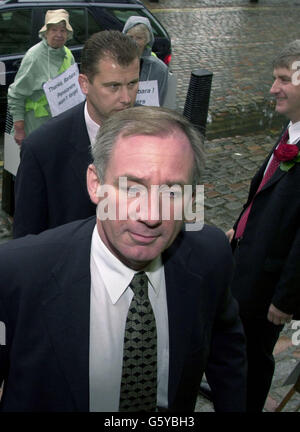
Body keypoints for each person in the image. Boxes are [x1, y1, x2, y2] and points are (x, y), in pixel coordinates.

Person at [0, 107, 247, 412]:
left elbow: (228, 355)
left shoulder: (211, 258)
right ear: (95, 184)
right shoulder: (16, 273)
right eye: (132, 188)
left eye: (172, 192)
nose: (151, 215)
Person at [226, 40, 300, 412]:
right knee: (238, 344)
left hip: (269, 287)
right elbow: (263, 193)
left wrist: (285, 299)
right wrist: (238, 229)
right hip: (247, 262)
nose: (273, 88)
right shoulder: (291, 130)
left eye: (284, 79)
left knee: (256, 354)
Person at [13, 30, 140, 238]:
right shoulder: (42, 148)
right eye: (113, 86)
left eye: (132, 84)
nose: (126, 98)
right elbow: (27, 240)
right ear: (84, 84)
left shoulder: (159, 135)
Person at [7, 9, 75, 145]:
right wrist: (19, 129)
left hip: (58, 124)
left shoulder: (68, 54)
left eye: (63, 30)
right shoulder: (34, 57)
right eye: (54, 30)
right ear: (46, 33)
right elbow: (16, 95)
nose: (59, 35)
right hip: (35, 125)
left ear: (68, 34)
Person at [123, 16, 169, 106]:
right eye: (130, 37)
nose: (134, 42)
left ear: (147, 40)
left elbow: (161, 100)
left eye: (139, 38)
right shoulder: (115, 64)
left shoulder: (159, 69)